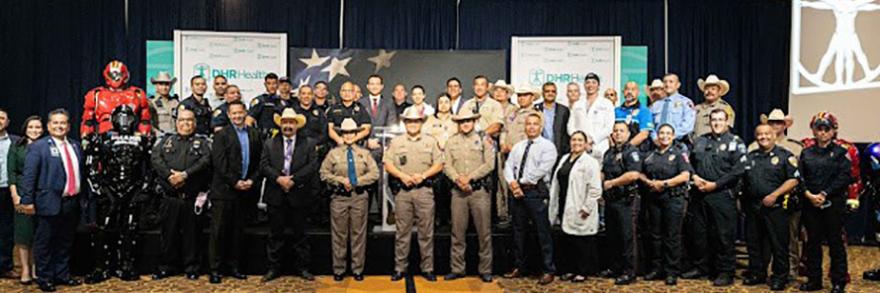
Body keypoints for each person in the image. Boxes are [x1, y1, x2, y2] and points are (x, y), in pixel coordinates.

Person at [83, 105, 153, 284]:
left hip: (133, 187)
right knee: (103, 227)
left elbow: (151, 166)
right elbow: (91, 163)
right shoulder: (103, 138)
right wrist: (97, 185)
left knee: (130, 227)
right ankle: (101, 267)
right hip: (109, 187)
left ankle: (126, 265)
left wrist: (145, 186)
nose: (124, 122)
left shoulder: (143, 140)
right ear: (113, 120)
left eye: (128, 118)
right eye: (120, 118)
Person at [19, 109, 88, 292]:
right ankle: (45, 278)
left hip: (71, 202)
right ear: (49, 126)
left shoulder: (75, 145)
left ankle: (62, 275)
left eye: (63, 123)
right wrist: (27, 200)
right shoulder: (38, 147)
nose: (59, 126)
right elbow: (29, 176)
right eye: (56, 123)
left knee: (65, 242)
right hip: (47, 202)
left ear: (69, 126)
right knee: (45, 242)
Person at [685, 109, 746, 286]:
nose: (717, 123)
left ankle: (725, 272)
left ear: (727, 122)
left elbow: (739, 170)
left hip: (722, 194)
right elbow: (687, 162)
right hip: (699, 194)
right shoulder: (700, 140)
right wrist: (694, 177)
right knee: (699, 234)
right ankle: (701, 268)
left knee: (723, 235)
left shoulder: (736, 142)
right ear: (709, 122)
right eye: (714, 120)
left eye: (720, 120)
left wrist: (716, 184)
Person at [150, 109, 212, 281]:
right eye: (183, 121)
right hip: (170, 198)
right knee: (168, 235)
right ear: (177, 123)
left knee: (192, 236)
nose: (186, 124)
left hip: (192, 199)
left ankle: (191, 267)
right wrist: (170, 176)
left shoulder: (203, 142)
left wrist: (185, 175)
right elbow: (156, 159)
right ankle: (166, 266)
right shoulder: (165, 141)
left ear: (195, 123)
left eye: (190, 120)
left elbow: (206, 160)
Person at [385, 107, 444, 282]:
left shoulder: (430, 141)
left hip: (425, 191)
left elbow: (439, 163)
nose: (412, 124)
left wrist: (423, 176)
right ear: (405, 123)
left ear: (421, 122)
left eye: (416, 121)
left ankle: (428, 269)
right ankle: (399, 268)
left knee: (426, 233)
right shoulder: (396, 142)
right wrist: (403, 176)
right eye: (409, 121)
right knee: (402, 233)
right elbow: (387, 163)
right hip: (403, 192)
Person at [260, 108, 319, 282]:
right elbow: (264, 165)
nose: (287, 125)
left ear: (296, 125)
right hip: (276, 194)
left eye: (291, 122)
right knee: (275, 235)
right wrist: (279, 179)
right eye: (284, 122)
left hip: (299, 193)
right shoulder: (270, 143)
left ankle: (303, 268)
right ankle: (273, 268)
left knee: (300, 235)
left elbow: (312, 165)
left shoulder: (308, 143)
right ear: (280, 124)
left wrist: (293, 180)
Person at [208, 100, 262, 284]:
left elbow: (259, 162)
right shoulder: (221, 135)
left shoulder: (255, 133)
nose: (238, 116)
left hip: (244, 191)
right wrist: (235, 182)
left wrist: (252, 181)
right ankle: (215, 270)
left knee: (237, 232)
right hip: (223, 192)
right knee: (218, 232)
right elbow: (219, 164)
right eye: (234, 113)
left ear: (245, 112)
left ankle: (234, 267)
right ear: (229, 115)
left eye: (241, 112)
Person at [747, 109, 804, 281]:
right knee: (756, 242)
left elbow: (795, 179)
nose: (764, 136)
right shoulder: (751, 153)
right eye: (771, 123)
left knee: (781, 242)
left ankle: (782, 275)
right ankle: (758, 273)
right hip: (755, 205)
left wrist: (775, 194)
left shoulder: (790, 151)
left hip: (781, 204)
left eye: (778, 123)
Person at [798, 112, 852, 293]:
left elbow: (844, 177)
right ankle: (814, 280)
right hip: (810, 203)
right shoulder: (805, 153)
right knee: (812, 244)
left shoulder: (841, 153)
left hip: (833, 204)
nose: (822, 133)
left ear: (833, 131)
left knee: (835, 243)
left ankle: (838, 281)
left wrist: (824, 193)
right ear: (813, 130)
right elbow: (800, 177)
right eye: (818, 129)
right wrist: (808, 194)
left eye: (826, 129)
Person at [502, 112, 558, 286]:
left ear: (540, 127)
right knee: (518, 232)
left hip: (535, 193)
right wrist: (512, 183)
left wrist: (521, 184)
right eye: (529, 124)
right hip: (517, 193)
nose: (531, 127)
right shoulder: (519, 146)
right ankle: (520, 266)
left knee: (543, 232)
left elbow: (541, 170)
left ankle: (548, 269)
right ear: (525, 127)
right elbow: (508, 166)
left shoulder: (548, 147)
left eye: (535, 124)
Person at [320, 118, 379, 282]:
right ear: (341, 134)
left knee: (358, 234)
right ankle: (339, 269)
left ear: (356, 134)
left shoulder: (365, 153)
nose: (348, 136)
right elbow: (323, 173)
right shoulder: (333, 153)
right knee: (339, 234)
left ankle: (357, 269)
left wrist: (356, 181)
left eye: (352, 132)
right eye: (345, 133)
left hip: (359, 197)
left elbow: (374, 174)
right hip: (339, 198)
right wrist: (340, 180)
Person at [442, 110, 495, 283]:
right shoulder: (451, 141)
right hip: (458, 192)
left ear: (473, 122)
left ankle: (485, 270)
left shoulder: (484, 139)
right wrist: (458, 179)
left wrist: (470, 178)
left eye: (468, 121)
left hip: (478, 191)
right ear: (458, 123)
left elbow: (490, 164)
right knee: (457, 233)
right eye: (462, 121)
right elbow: (446, 165)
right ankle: (457, 269)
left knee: (484, 233)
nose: (465, 124)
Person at [639, 123, 692, 286]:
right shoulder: (649, 155)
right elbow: (639, 173)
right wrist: (649, 182)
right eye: (661, 133)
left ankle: (671, 271)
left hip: (673, 198)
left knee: (672, 236)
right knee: (655, 235)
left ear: (673, 136)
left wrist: (665, 183)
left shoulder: (679, 154)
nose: (664, 136)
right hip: (653, 198)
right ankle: (656, 269)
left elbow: (685, 175)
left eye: (668, 133)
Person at [549, 131, 602, 283]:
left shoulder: (590, 162)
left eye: (580, 140)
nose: (576, 143)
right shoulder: (565, 158)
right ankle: (570, 270)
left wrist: (587, 207)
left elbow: (595, 189)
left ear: (586, 144)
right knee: (569, 240)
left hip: (581, 206)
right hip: (564, 203)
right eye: (573, 140)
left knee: (582, 241)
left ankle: (582, 271)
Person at [600, 122, 643, 285]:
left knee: (627, 237)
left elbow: (633, 174)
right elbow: (604, 172)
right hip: (611, 200)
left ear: (628, 134)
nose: (618, 134)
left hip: (627, 199)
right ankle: (615, 268)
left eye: (621, 131)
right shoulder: (609, 153)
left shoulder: (631, 152)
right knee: (613, 236)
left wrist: (612, 183)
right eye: (615, 131)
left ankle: (629, 272)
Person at [7, 115, 41, 285]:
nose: (34, 130)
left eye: (37, 127)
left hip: (41, 195)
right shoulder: (17, 146)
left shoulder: (46, 146)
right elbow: (11, 172)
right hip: (21, 193)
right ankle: (25, 269)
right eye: (31, 127)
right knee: (23, 232)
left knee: (38, 233)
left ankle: (35, 268)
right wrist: (15, 195)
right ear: (25, 129)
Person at [81, 61, 152, 137]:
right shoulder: (96, 94)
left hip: (131, 136)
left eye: (118, 74)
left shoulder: (137, 94)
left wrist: (144, 135)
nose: (116, 78)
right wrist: (86, 137)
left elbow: (145, 120)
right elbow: (87, 121)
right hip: (104, 136)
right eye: (112, 75)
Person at [425, 94, 458, 228]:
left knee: (451, 190)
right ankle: (438, 216)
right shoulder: (429, 120)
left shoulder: (456, 120)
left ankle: (450, 217)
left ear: (450, 104)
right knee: (436, 190)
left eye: (446, 102)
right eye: (441, 102)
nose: (443, 104)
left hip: (452, 160)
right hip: (435, 160)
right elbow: (425, 137)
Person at [568, 73, 614, 160]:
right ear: (584, 85)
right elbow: (570, 126)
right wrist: (580, 140)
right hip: (579, 147)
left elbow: (609, 127)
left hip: (599, 146)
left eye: (593, 82)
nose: (590, 85)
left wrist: (592, 139)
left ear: (598, 86)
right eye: (588, 82)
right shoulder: (577, 104)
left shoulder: (607, 104)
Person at [0, 110, 22, 281]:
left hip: (8, 189)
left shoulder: (16, 141)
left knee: (7, 229)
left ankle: (5, 266)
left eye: (1, 118)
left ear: (8, 121)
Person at [651, 74, 696, 144]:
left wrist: (670, 137)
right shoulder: (656, 105)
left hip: (677, 143)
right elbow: (651, 124)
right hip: (657, 143)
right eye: (665, 82)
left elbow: (688, 125)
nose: (667, 84)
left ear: (678, 85)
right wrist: (655, 137)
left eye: (671, 82)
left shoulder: (686, 102)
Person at [327, 82, 372, 147]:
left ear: (354, 93)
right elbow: (329, 129)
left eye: (350, 91)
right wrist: (339, 140)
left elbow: (366, 129)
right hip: (337, 145)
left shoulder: (361, 109)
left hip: (357, 145)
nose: (347, 93)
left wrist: (352, 140)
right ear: (340, 93)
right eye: (344, 91)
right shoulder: (333, 109)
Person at [692, 74, 736, 139]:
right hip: (697, 144)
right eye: (706, 89)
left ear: (719, 92)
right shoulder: (696, 108)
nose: (709, 91)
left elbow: (726, 128)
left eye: (713, 89)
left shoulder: (725, 108)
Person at [615, 81, 654, 150]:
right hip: (616, 149)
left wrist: (627, 147)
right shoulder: (616, 111)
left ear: (638, 92)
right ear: (623, 92)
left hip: (637, 151)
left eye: (633, 89)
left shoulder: (644, 111)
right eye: (627, 89)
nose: (629, 92)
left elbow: (644, 134)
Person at [534, 82, 571, 155]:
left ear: (556, 93)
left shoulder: (563, 110)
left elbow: (566, 132)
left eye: (553, 91)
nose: (550, 93)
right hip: (539, 150)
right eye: (547, 91)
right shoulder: (535, 108)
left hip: (559, 151)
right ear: (543, 93)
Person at [147, 71, 180, 136]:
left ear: (171, 86)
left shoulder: (176, 102)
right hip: (158, 139)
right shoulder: (151, 102)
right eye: (161, 84)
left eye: (167, 84)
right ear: (156, 86)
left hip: (175, 138)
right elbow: (148, 123)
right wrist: (159, 135)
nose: (164, 87)